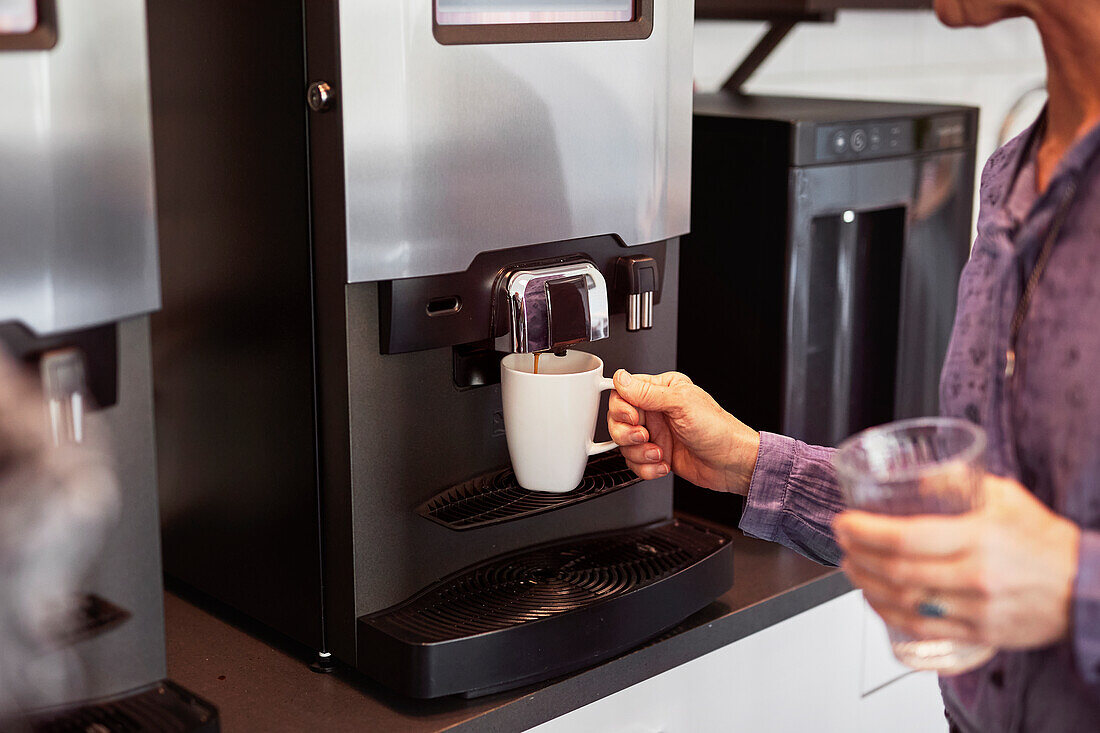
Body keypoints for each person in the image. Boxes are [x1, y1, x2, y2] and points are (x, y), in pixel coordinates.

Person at [607, 1, 1100, 730]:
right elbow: (973, 528)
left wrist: (1071, 585)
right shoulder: (1010, 177)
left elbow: (1040, 562)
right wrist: (748, 460)